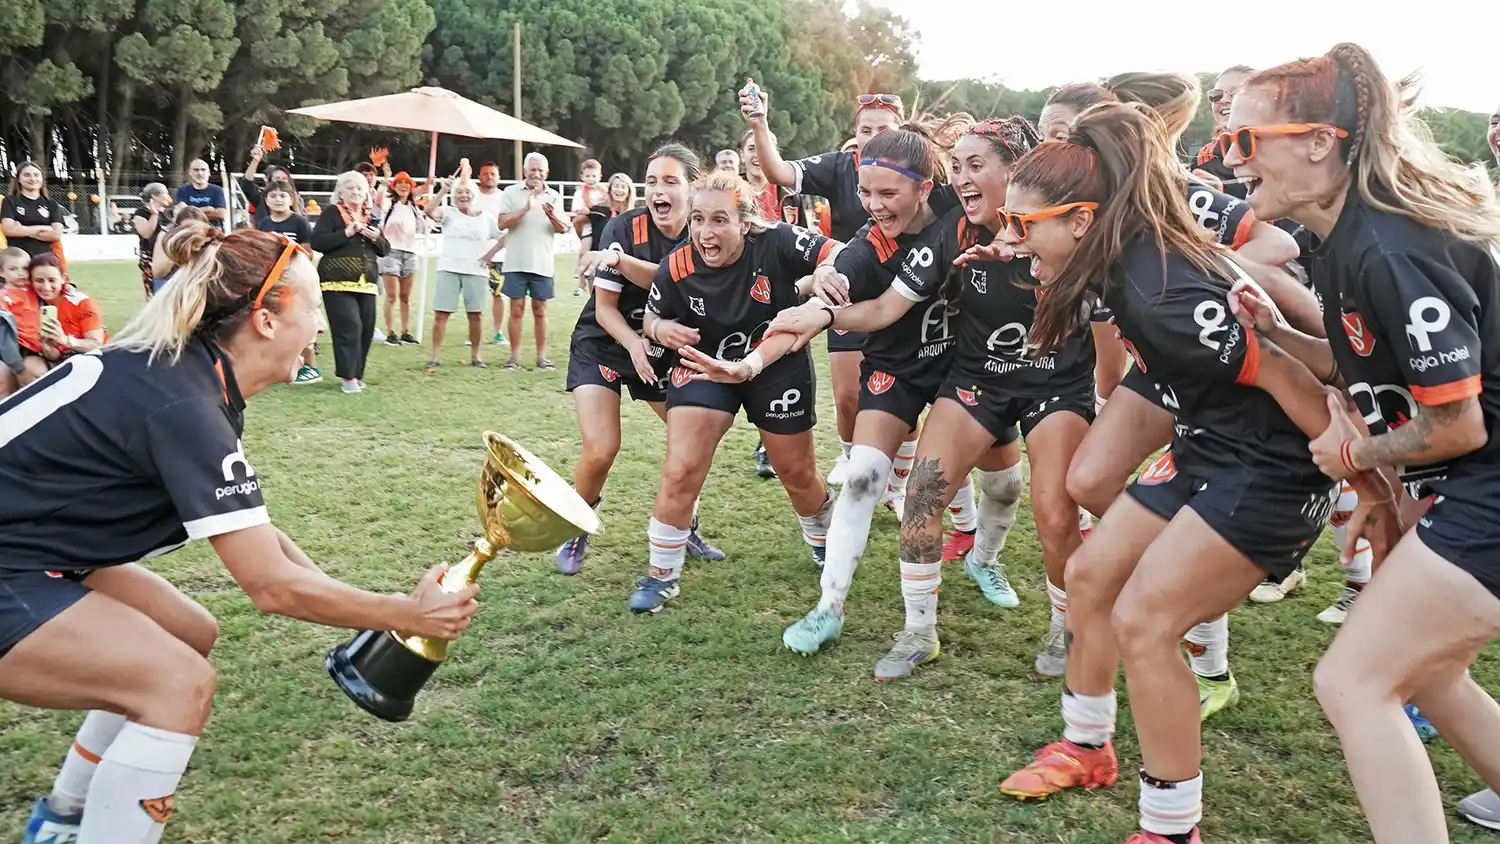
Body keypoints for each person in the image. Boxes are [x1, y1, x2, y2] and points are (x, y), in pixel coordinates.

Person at [4, 222, 481, 844]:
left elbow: (259, 539)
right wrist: (405, 614)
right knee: (176, 684)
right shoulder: (187, 403)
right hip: (15, 560)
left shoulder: (189, 377)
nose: (318, 325)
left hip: (31, 549)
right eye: (312, 307)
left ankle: (63, 817)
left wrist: (366, 611)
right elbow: (270, 586)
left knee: (189, 633)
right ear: (265, 320)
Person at [993, 101, 1379, 844]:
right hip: (1210, 441)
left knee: (1145, 622)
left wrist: (1367, 485)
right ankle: (1086, 745)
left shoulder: (1159, 291)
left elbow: (1291, 377)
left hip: (1270, 467)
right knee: (1091, 575)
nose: (1010, 239)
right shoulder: (1120, 253)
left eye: (1022, 224)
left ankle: (1172, 829)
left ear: (1081, 220)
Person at [1224, 42, 1500, 844]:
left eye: (1245, 139)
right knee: (1430, 673)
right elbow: (1362, 368)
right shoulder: (1341, 239)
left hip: (1487, 485)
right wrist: (1278, 335)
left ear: (1321, 142)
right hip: (1475, 485)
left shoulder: (1389, 247)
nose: (1229, 158)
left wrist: (1355, 460)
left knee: (1352, 679)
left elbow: (1458, 424)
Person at [778, 116, 1104, 678]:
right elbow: (885, 307)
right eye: (957, 166)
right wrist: (821, 310)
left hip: (1054, 385)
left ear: (1016, 171)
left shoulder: (1072, 223)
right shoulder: (952, 231)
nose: (963, 178)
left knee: (1053, 512)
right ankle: (918, 631)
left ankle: (1065, 626)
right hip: (977, 380)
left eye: (976, 165)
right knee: (922, 497)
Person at [1038, 72, 1316, 710]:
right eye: (1051, 138)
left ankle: (1209, 656)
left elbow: (1275, 246)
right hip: (1163, 354)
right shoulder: (1073, 209)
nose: (1058, 152)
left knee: (1152, 560)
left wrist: (1212, 266)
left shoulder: (1177, 200)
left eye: (1067, 138)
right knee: (1090, 482)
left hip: (1198, 349)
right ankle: (1171, 581)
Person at [761, 116, 984, 676]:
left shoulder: (962, 211)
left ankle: (984, 553)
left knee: (1004, 483)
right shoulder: (871, 242)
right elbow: (841, 282)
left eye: (887, 193)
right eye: (864, 192)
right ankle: (829, 607)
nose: (873, 205)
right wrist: (820, 289)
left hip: (966, 364)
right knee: (862, 478)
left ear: (925, 188)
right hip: (898, 368)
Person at [627, 172, 842, 614]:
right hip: (704, 365)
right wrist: (660, 328)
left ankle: (825, 544)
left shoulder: (776, 240)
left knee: (796, 472)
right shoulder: (677, 266)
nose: (705, 232)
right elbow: (650, 318)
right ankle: (661, 575)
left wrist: (824, 269)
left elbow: (837, 251)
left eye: (719, 220)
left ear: (745, 222)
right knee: (682, 467)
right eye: (698, 219)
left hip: (776, 364)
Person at [742, 88, 947, 511]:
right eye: (865, 130)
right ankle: (857, 462)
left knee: (911, 402)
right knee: (850, 396)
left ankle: (899, 486)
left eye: (883, 130)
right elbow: (779, 172)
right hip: (848, 286)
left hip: (914, 299)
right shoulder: (839, 166)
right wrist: (759, 124)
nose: (872, 138)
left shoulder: (936, 193)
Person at [556, 144, 723, 575]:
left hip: (662, 346)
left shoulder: (705, 232)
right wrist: (633, 343)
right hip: (606, 340)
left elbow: (681, 282)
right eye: (651, 182)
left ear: (693, 187)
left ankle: (683, 526)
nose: (658, 191)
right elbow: (605, 309)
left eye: (670, 181)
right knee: (601, 448)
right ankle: (576, 525)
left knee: (692, 442)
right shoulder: (623, 227)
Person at [311, 171, 389, 394]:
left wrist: (376, 238)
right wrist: (346, 232)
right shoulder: (331, 213)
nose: (355, 192)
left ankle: (357, 374)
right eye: (350, 188)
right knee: (349, 327)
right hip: (336, 281)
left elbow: (385, 249)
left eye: (359, 188)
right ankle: (348, 377)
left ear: (366, 193)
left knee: (366, 329)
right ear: (341, 192)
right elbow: (317, 242)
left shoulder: (370, 216)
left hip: (367, 282)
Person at [422, 175, 502, 370]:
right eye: (459, 192)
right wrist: (443, 190)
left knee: (475, 315)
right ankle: (435, 356)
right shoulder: (448, 213)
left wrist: (491, 254)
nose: (463, 196)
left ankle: (476, 356)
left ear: (474, 195)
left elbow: (504, 236)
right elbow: (428, 211)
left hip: (476, 271)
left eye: (467, 192)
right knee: (441, 314)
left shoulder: (486, 219)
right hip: (448, 269)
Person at [497, 152, 567, 370]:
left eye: (540, 170)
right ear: (524, 171)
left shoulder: (554, 196)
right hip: (516, 262)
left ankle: (542, 357)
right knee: (516, 310)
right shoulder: (511, 192)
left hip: (542, 263)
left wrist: (552, 215)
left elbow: (564, 228)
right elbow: (502, 223)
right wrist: (525, 209)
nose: (536, 174)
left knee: (540, 310)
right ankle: (514, 357)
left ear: (547, 173)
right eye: (532, 169)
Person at [254, 183, 319, 385]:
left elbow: (308, 253)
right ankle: (278, 366)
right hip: (272, 281)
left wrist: (289, 254)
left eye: (283, 195)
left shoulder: (299, 222)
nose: (278, 199)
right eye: (273, 196)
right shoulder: (263, 224)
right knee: (274, 322)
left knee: (301, 322)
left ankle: (311, 367)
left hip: (296, 280)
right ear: (266, 200)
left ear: (291, 199)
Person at [30, 253, 105, 365]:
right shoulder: (33, 307)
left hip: (92, 362)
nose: (46, 287)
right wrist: (48, 348)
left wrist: (66, 340)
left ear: (63, 278)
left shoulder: (82, 302)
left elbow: (96, 345)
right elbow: (55, 356)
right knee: (30, 365)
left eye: (52, 280)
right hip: (62, 362)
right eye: (39, 280)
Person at [378, 172, 425, 346]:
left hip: (410, 252)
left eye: (407, 183)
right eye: (400, 182)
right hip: (391, 252)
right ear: (394, 186)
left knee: (405, 296)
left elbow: (422, 225)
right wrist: (384, 181)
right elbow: (378, 200)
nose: (403, 186)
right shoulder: (389, 203)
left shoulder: (413, 207)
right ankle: (390, 333)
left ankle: (405, 331)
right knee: (391, 296)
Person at [470, 161, 510, 348]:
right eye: (485, 174)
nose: (489, 177)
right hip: (475, 254)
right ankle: (474, 332)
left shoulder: (504, 198)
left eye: (493, 174)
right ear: (479, 176)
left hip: (499, 255)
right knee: (475, 295)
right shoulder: (473, 196)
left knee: (499, 294)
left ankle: (498, 332)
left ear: (498, 177)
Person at [2, 162, 66, 261]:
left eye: (36, 175)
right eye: (27, 175)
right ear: (18, 179)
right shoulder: (9, 201)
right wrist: (44, 228)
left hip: (43, 261)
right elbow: (9, 230)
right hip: (17, 260)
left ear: (42, 179)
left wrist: (21, 229)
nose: (32, 179)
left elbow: (56, 234)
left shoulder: (52, 204)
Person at [0, 246, 45, 386]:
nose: (20, 273)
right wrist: (16, 364)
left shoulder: (35, 289)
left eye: (25, 268)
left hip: (39, 345)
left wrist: (68, 287)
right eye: (13, 269)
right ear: (2, 272)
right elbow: (4, 333)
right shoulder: (3, 297)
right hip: (17, 347)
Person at [570, 158, 607, 296]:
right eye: (588, 176)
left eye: (594, 176)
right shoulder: (580, 193)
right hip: (588, 227)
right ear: (582, 177)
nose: (591, 179)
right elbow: (577, 211)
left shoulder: (604, 191)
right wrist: (588, 211)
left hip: (602, 227)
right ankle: (581, 283)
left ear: (600, 177)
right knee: (584, 251)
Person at [133, 184, 173, 298]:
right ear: (155, 196)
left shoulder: (168, 213)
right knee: (156, 295)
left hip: (168, 258)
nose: (168, 196)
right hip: (151, 260)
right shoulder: (141, 213)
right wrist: (154, 214)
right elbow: (146, 233)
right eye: (165, 193)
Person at [173, 159, 228, 225]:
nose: (200, 173)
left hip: (213, 229)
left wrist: (190, 212)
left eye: (203, 170)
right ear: (190, 172)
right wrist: (208, 209)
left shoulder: (217, 190)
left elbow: (221, 214)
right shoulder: (183, 190)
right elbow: (180, 214)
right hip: (190, 229)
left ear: (209, 173)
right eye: (196, 170)